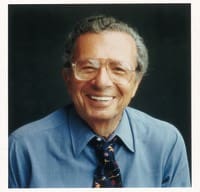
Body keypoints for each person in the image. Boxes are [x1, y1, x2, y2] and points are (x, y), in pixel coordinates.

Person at [9, 15, 190, 188]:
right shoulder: (23, 148)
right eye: (88, 67)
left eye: (118, 69)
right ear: (67, 78)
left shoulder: (166, 142)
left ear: (136, 83)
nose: (102, 82)